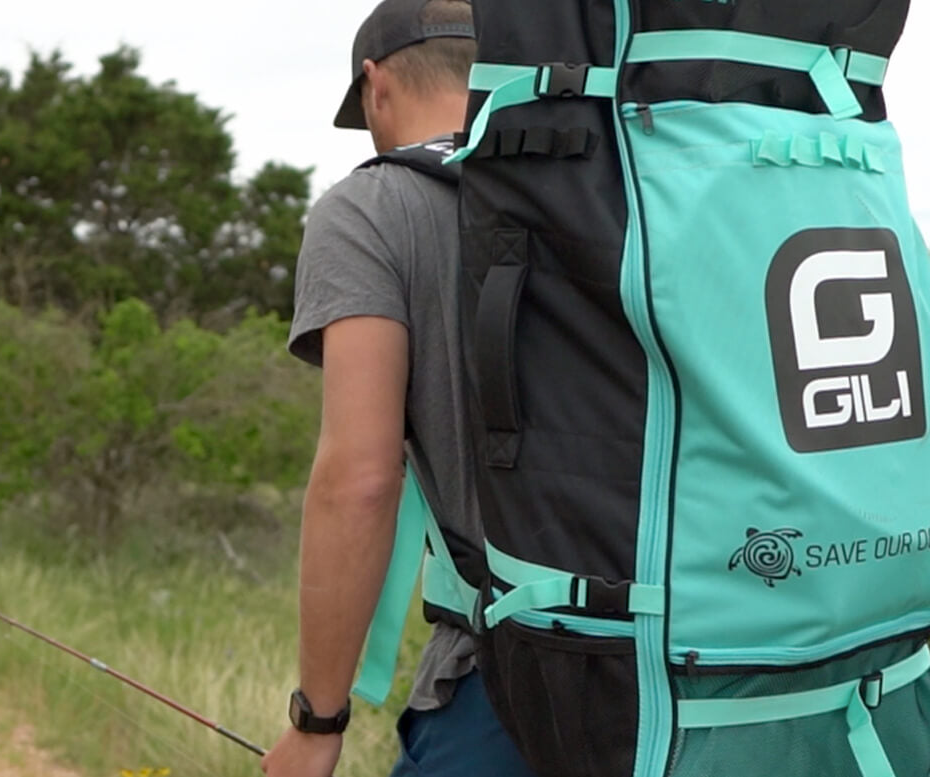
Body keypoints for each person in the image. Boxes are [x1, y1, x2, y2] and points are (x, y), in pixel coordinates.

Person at [260, 1, 539, 776]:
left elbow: (361, 478)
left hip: (514, 687)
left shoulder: (372, 209)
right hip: (717, 663)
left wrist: (318, 720)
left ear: (375, 85)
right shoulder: (618, 188)